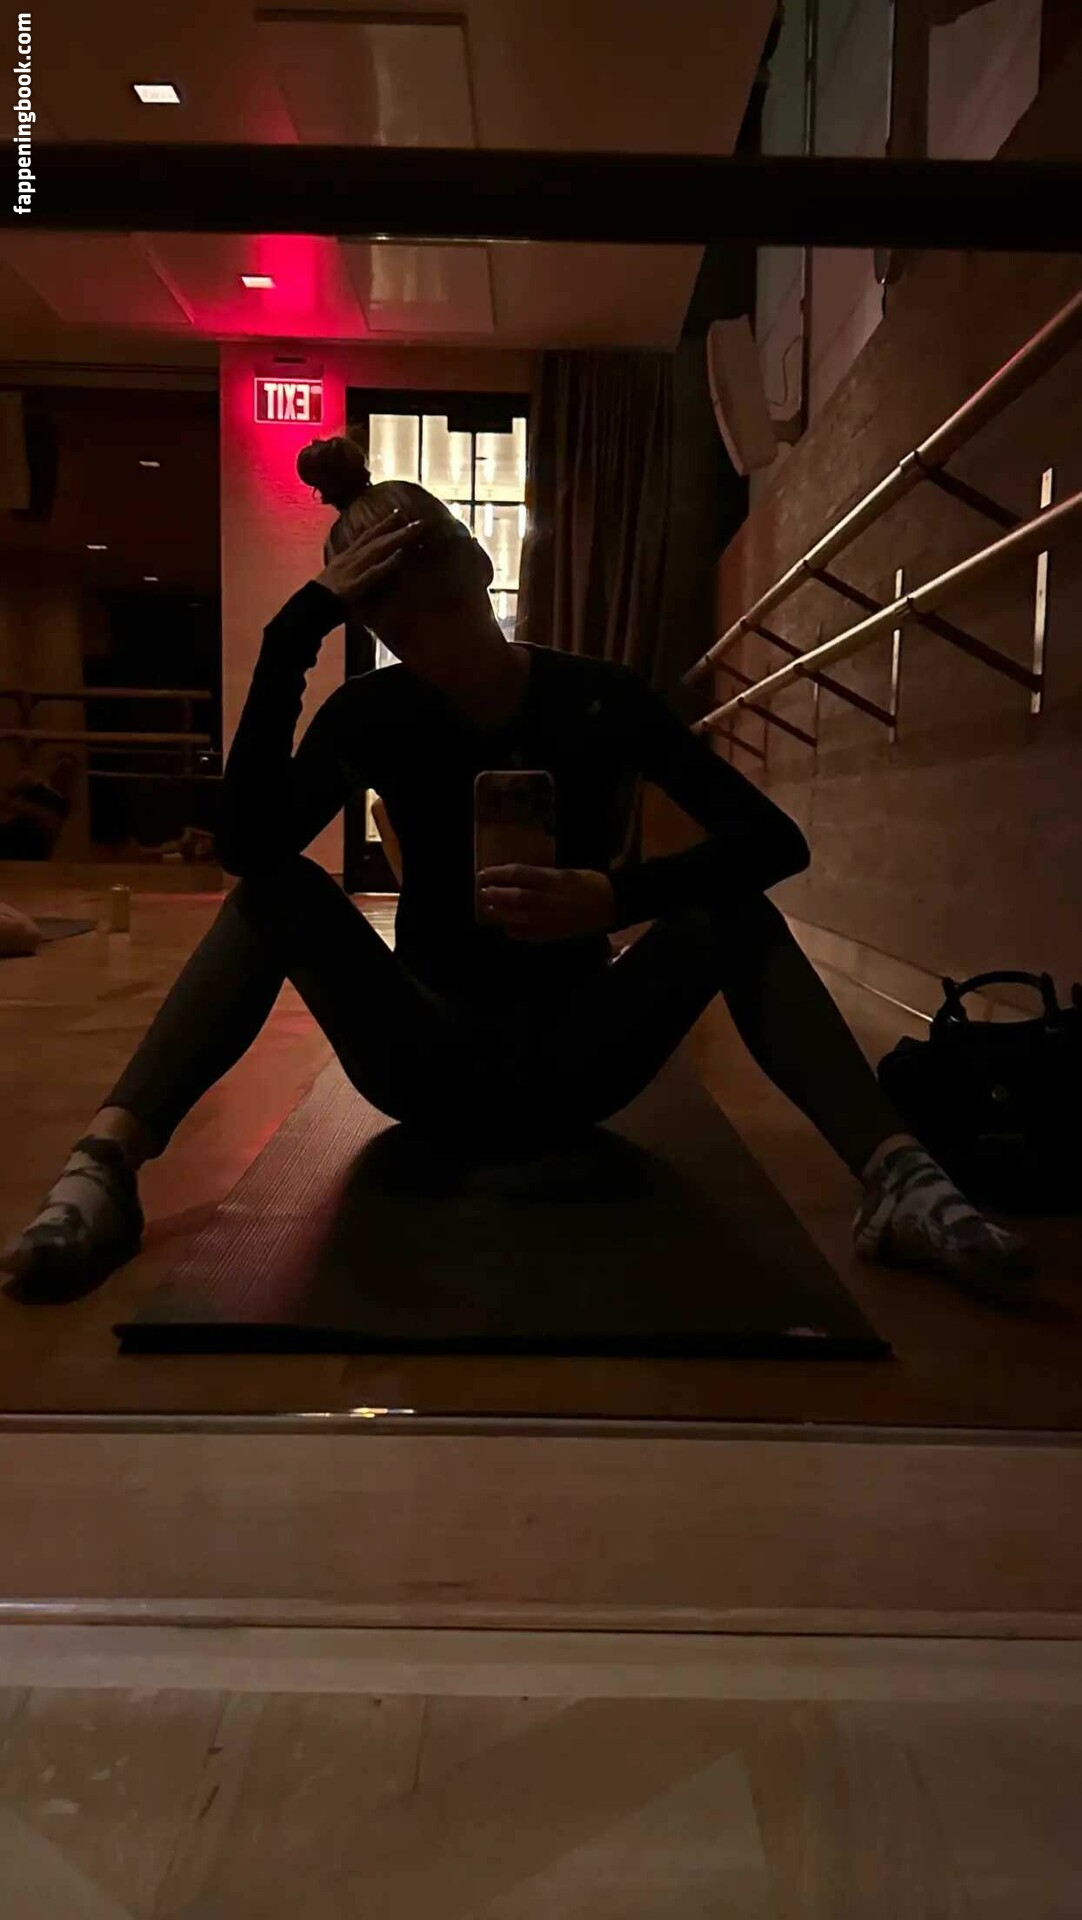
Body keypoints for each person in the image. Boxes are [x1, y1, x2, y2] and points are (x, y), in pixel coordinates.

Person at [1, 453, 1032, 1305]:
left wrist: (614, 898)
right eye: (397, 624)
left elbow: (772, 843)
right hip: (422, 1059)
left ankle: (896, 1177)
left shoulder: (603, 698)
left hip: (580, 1058)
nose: (428, 639)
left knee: (733, 910)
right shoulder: (370, 715)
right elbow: (249, 849)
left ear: (480, 574)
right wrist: (291, 638)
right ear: (374, 627)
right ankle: (106, 1165)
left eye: (438, 605)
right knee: (277, 892)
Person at [0, 753, 77, 860]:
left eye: (66, 771)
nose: (61, 773)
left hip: (33, 839)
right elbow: (9, 799)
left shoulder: (63, 802)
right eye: (60, 766)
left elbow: (51, 820)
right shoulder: (35, 785)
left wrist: (25, 807)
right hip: (17, 831)